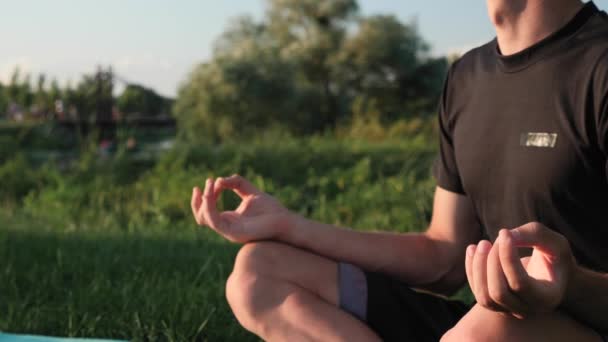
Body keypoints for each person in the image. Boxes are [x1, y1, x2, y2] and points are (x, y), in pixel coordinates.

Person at [190, 0, 608, 340]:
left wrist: (568, 284)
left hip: (577, 325)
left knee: (481, 332)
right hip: (486, 322)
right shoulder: (467, 76)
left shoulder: (600, 63)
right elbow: (443, 256)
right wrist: (288, 226)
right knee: (258, 273)